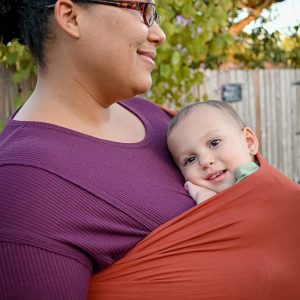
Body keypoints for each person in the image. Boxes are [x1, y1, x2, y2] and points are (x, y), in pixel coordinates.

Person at [0, 1, 196, 299]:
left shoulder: (153, 117)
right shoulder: (27, 187)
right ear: (71, 17)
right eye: (143, 10)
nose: (159, 34)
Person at [167, 100, 260, 204]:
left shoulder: (255, 178)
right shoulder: (195, 197)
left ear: (248, 142)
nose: (205, 161)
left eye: (215, 143)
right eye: (190, 159)